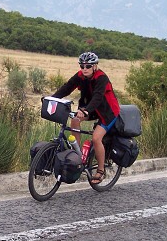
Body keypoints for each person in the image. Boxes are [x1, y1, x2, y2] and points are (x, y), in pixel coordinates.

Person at [51, 52, 120, 183]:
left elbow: (98, 97)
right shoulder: (80, 76)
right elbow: (67, 88)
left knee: (96, 138)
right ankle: (77, 155)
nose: (84, 69)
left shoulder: (101, 78)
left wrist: (86, 110)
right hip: (91, 109)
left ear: (95, 66)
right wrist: (52, 98)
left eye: (88, 66)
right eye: (82, 65)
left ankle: (100, 171)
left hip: (108, 112)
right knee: (75, 120)